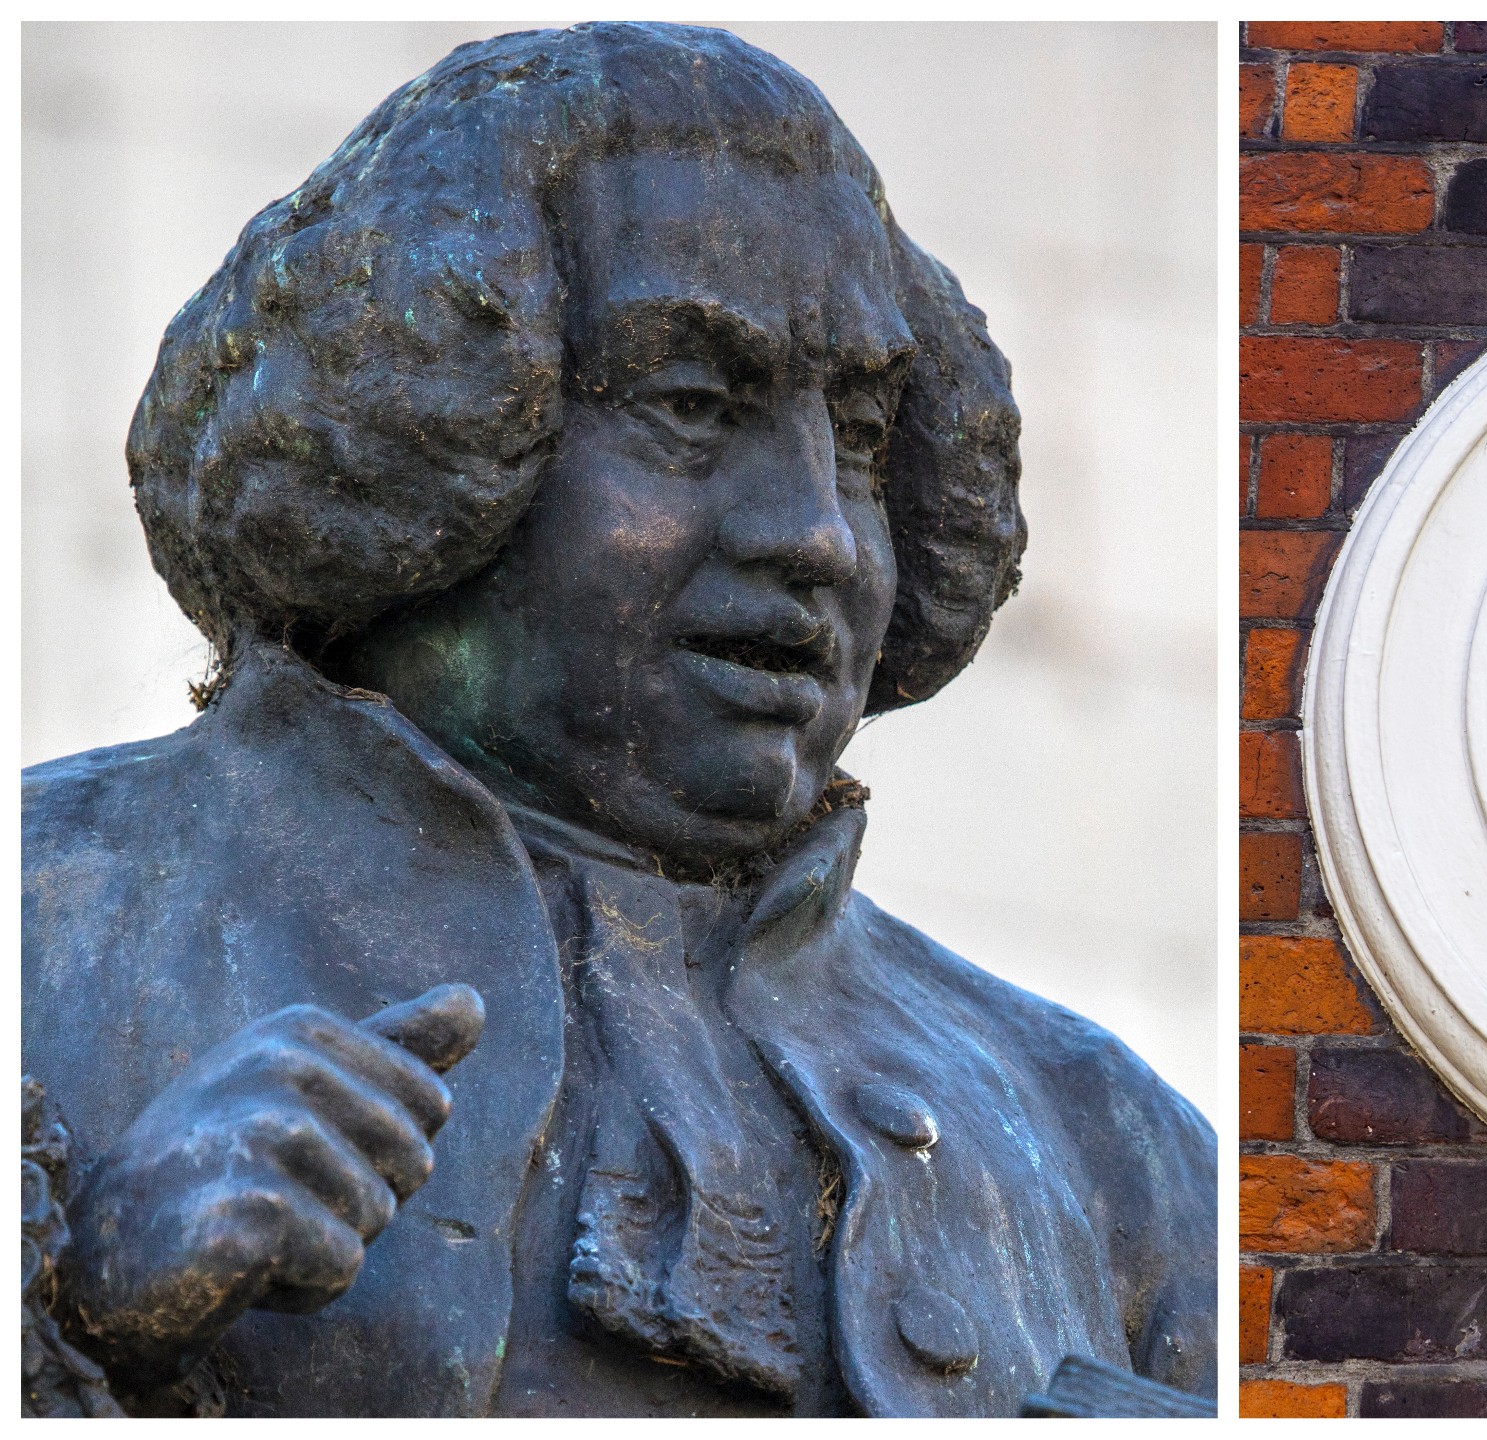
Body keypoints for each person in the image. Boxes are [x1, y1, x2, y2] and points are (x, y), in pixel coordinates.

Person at [20, 23, 1212, 1418]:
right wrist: (84, 1311)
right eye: (693, 403)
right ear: (419, 422)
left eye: (869, 441)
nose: (821, 533)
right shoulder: (41, 925)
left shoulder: (1117, 1148)